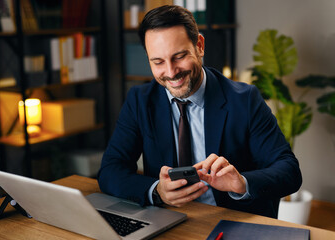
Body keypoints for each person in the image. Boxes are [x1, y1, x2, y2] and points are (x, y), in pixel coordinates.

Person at [98, 5, 302, 218]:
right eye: (158, 62)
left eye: (179, 56)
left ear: (200, 46)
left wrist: (241, 183)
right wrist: (157, 190)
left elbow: (289, 171)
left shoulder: (244, 99)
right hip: (167, 219)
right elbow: (111, 169)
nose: (170, 72)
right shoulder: (139, 100)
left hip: (230, 219)